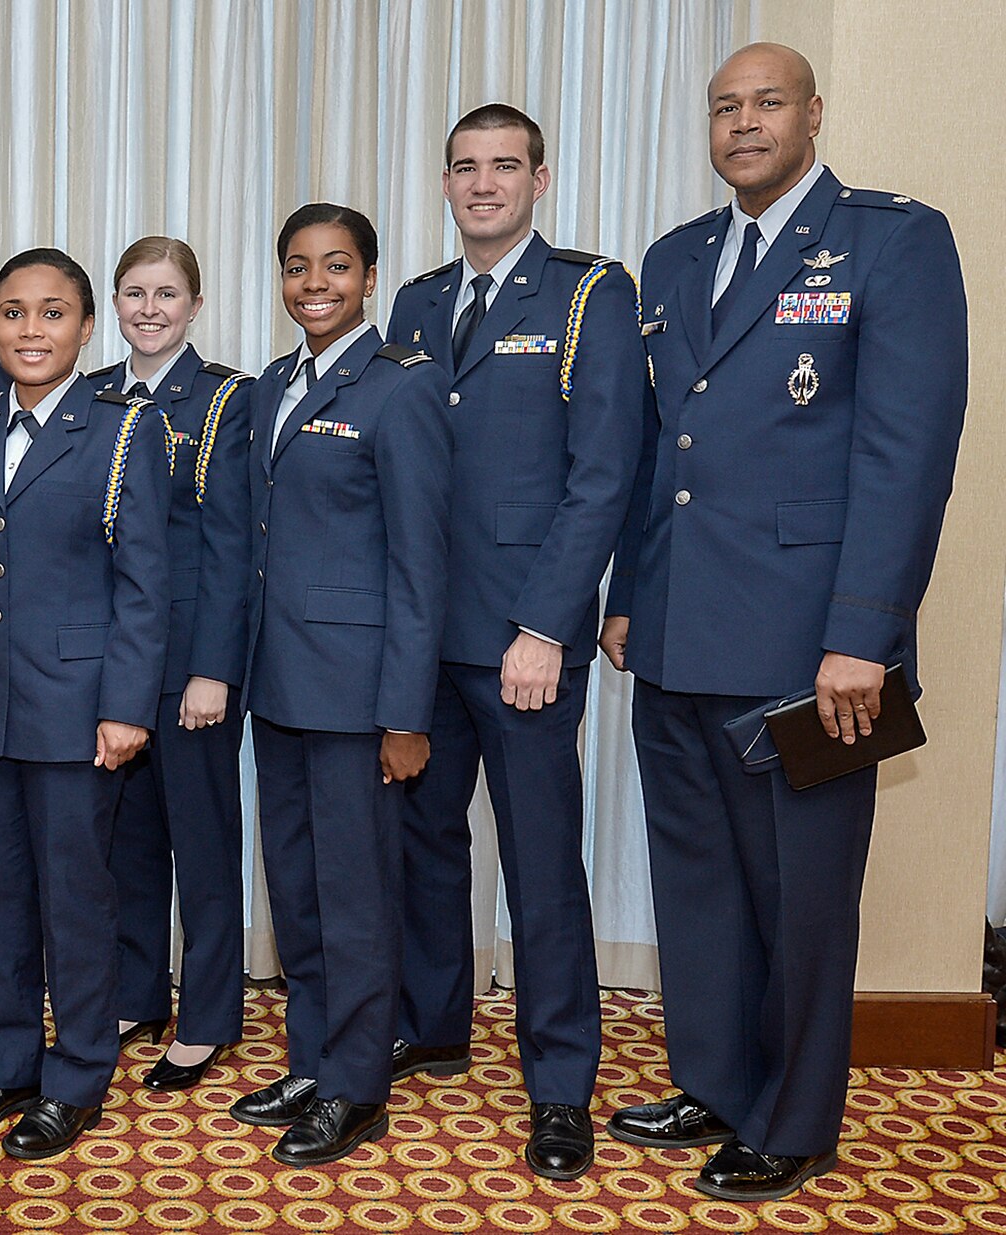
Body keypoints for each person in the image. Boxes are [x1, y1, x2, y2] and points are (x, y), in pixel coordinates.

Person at [601, 43, 968, 1202]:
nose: (742, 123)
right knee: (698, 879)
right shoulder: (675, 258)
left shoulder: (891, 240)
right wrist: (622, 596)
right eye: (724, 107)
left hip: (808, 645)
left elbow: (905, 454)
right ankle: (714, 1080)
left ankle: (796, 1115)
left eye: (766, 103)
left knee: (799, 892)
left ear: (812, 113)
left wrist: (861, 631)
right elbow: (658, 452)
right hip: (671, 632)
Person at [385, 104, 645, 1180]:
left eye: (503, 166)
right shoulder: (414, 300)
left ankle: (558, 1082)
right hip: (419, 632)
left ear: (539, 179)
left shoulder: (589, 293)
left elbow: (601, 474)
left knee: (539, 863)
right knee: (423, 844)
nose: (481, 183)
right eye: (463, 167)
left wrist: (545, 623)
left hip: (521, 637)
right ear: (442, 183)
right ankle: (436, 1021)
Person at [0, 248, 171, 1160]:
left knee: (74, 901)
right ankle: (9, 1060)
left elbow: (145, 584)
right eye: (15, 313)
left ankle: (77, 1074)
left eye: (53, 313)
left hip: (78, 707)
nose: (32, 330)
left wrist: (128, 705)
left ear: (87, 327)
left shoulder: (124, 430)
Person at [235, 204, 453, 1166]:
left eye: (334, 266)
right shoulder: (276, 383)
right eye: (296, 266)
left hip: (360, 697)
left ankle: (358, 1084)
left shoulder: (401, 387)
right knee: (299, 891)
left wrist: (406, 714)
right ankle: (314, 1056)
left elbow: (421, 563)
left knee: (358, 896)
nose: (313, 283)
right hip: (277, 687)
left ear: (369, 277)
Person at [90, 237, 252, 1091]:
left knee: (202, 842)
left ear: (195, 304)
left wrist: (214, 669)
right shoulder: (89, 397)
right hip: (115, 665)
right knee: (127, 845)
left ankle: (211, 1013)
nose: (148, 309)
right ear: (113, 305)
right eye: (133, 292)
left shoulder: (226, 400)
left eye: (166, 293)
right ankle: (137, 989)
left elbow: (232, 549)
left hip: (189, 663)